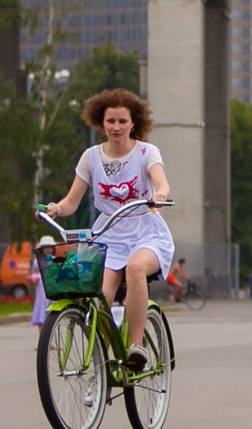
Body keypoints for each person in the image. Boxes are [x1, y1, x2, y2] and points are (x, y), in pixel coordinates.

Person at [43, 88, 175, 373]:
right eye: (110, 121)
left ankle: (136, 347)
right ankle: (105, 361)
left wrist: (160, 195)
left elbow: (161, 183)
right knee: (99, 295)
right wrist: (55, 208)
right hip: (108, 234)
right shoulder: (90, 157)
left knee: (136, 268)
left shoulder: (146, 153)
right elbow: (71, 202)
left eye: (122, 121)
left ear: (133, 123)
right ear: (100, 123)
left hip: (145, 231)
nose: (116, 127)